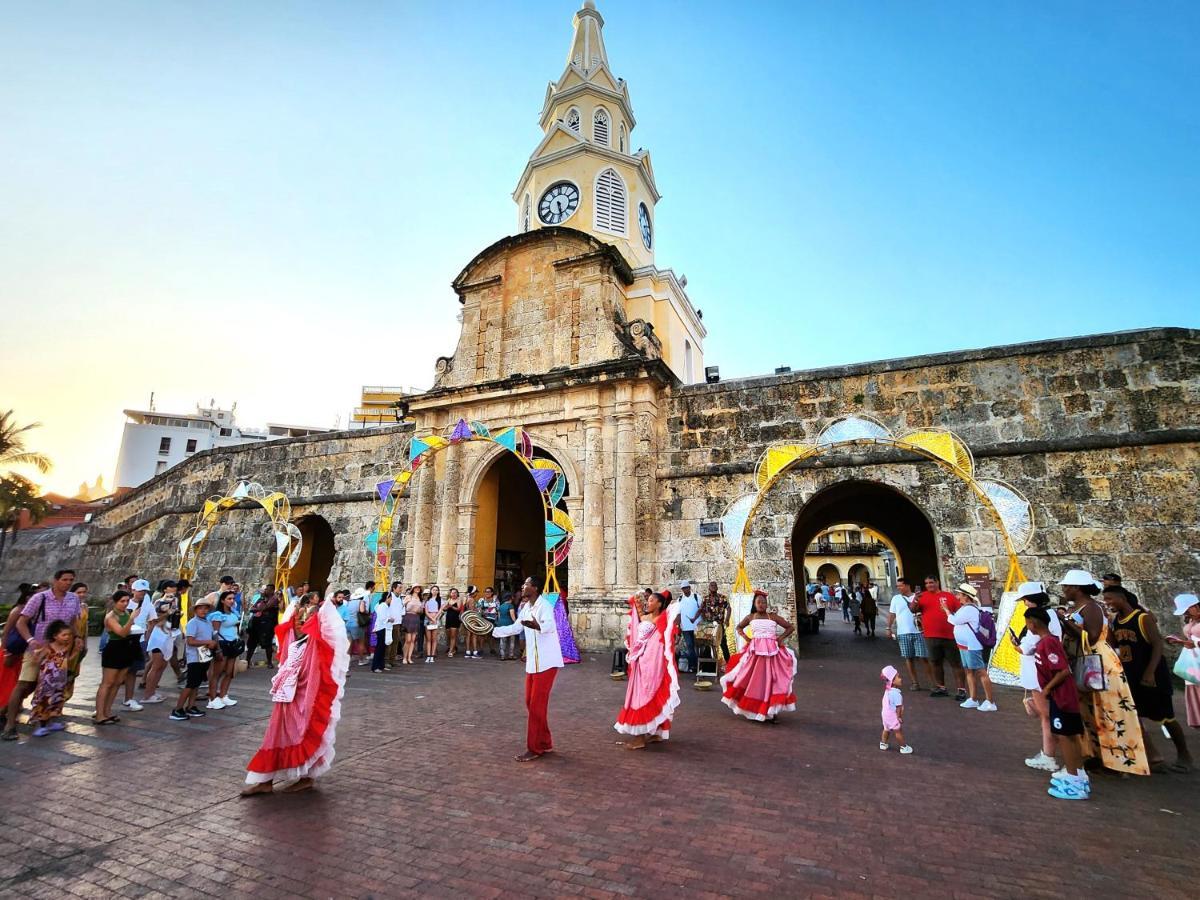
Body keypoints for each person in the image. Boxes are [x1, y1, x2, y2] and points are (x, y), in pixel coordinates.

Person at [241, 593, 349, 796]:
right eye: (298, 619)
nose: (300, 623)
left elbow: (327, 640)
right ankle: (265, 780)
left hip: (304, 697)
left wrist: (321, 611)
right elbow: (286, 632)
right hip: (285, 696)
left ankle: (307, 777)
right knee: (275, 734)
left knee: (305, 732)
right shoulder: (293, 641)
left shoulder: (315, 645)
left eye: (305, 620)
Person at [1057, 570, 1149, 776]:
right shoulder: (1080, 607)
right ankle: (1096, 755)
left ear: (1077, 588)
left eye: (1067, 587)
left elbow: (1091, 637)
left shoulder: (1092, 608)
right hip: (1084, 662)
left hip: (1098, 662)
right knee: (1089, 712)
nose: (1064, 590)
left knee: (1107, 710)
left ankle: (1116, 761)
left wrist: (1065, 622)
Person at [1105, 585, 1193, 772]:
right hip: (1131, 675)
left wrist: (1150, 672)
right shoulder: (1116, 621)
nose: (1108, 603)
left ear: (1122, 598)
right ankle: (1154, 756)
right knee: (1134, 715)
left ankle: (1184, 754)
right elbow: (1112, 644)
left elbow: (1157, 645)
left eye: (1110, 599)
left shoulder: (1141, 618)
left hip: (1151, 674)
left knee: (1165, 717)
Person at [2, 569, 85, 741]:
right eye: (64, 579)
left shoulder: (73, 599)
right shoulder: (40, 598)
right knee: (24, 684)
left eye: (71, 580)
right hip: (37, 649)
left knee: (51, 686)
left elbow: (72, 622)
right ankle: (10, 724)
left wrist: (76, 637)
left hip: (60, 651)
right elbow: (21, 621)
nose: (68, 583)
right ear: (56, 580)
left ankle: (45, 717)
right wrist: (30, 640)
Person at [1025, 607, 1090, 800]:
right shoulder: (1046, 642)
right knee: (1067, 735)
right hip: (1059, 695)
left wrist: (1046, 689)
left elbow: (1062, 670)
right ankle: (1077, 773)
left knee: (1065, 736)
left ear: (1033, 623)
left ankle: (1074, 779)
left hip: (1062, 696)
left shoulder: (1048, 643)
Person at [1009, 583, 1066, 773]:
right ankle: (1050, 753)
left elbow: (1027, 648)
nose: (1024, 604)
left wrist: (1014, 645)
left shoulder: (1040, 620)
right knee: (1048, 715)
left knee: (1046, 716)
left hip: (1038, 673)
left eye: (1025, 600)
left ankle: (1049, 756)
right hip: (1042, 672)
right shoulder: (1050, 615)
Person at [614, 591, 680, 749]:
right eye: (648, 600)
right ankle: (654, 732)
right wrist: (636, 599)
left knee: (644, 695)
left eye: (651, 601)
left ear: (659, 604)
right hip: (640, 660)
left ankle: (640, 738)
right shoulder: (643, 618)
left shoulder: (661, 619)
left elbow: (668, 632)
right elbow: (636, 628)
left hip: (651, 661)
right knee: (641, 694)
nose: (648, 603)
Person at [719, 589, 797, 723]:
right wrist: (746, 638)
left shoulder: (773, 616)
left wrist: (780, 638)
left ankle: (772, 712)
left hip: (772, 654)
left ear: (767, 604)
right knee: (754, 681)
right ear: (754, 604)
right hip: (755, 654)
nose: (761, 604)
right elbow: (738, 627)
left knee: (773, 681)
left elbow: (790, 627)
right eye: (759, 602)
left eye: (764, 602)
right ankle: (755, 708)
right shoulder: (751, 617)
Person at [517, 581, 564, 761]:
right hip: (534, 663)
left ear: (535, 588)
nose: (522, 587)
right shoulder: (526, 608)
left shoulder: (544, 606)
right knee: (530, 702)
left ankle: (534, 748)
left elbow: (550, 626)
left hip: (547, 663)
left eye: (526, 584)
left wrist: (537, 626)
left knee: (536, 704)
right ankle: (545, 741)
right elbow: (517, 626)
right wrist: (493, 630)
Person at [911, 576, 967, 699]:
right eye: (926, 583)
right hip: (931, 636)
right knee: (935, 662)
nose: (929, 585)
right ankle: (941, 687)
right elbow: (913, 610)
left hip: (950, 636)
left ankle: (961, 690)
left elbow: (960, 612)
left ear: (937, 582)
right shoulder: (922, 596)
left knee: (955, 663)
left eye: (931, 582)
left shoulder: (949, 596)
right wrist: (915, 599)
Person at [944, 583, 997, 711]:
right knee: (969, 671)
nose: (957, 597)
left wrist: (946, 610)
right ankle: (973, 698)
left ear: (966, 597)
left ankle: (990, 701)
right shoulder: (965, 608)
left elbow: (955, 620)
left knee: (980, 671)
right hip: (965, 645)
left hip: (972, 646)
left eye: (960, 594)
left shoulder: (969, 609)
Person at [170, 593, 217, 722]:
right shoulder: (193, 623)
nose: (203, 610)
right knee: (190, 684)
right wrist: (208, 642)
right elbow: (190, 641)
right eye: (200, 608)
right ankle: (178, 708)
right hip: (194, 657)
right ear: (196, 610)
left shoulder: (207, 622)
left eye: (205, 608)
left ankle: (191, 705)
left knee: (196, 683)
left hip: (203, 656)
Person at [93, 589, 136, 725]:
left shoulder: (126, 613)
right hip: (114, 648)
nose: (125, 604)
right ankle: (99, 714)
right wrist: (132, 619)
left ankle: (107, 711)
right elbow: (122, 632)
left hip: (126, 647)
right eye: (122, 601)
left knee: (117, 682)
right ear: (115, 602)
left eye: (127, 601)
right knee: (107, 682)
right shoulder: (111, 616)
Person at [27, 620, 74, 737]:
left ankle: (51, 722)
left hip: (59, 681)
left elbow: (67, 660)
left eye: (68, 635)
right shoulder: (48, 648)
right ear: (55, 636)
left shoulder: (65, 647)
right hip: (47, 681)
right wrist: (37, 656)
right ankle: (41, 725)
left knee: (56, 700)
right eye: (64, 635)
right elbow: (37, 661)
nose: (67, 637)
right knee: (44, 702)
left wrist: (77, 651)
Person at [887, 577, 932, 691]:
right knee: (909, 658)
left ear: (907, 586)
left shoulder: (918, 597)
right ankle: (914, 682)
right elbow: (892, 614)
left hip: (919, 631)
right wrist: (889, 627)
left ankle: (932, 682)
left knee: (923, 657)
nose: (899, 588)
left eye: (900, 585)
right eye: (897, 586)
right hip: (903, 632)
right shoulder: (896, 599)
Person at [1167, 593, 1200, 729]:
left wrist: (1195, 644)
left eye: (1188, 610)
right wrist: (1181, 642)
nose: (1186, 614)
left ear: (1196, 606)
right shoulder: (1191, 621)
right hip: (1193, 663)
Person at [208, 590, 243, 709]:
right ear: (223, 600)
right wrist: (217, 649)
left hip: (233, 643)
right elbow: (215, 633)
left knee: (229, 672)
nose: (232, 601)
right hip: (222, 644)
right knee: (216, 673)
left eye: (233, 598)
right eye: (229, 598)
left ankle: (223, 695)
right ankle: (212, 698)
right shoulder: (218, 614)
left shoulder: (233, 613)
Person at [140, 592, 177, 704]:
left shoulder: (174, 603)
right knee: (156, 666)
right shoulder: (158, 603)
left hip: (169, 635)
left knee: (162, 665)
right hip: (158, 637)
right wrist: (169, 612)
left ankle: (153, 692)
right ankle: (147, 695)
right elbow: (154, 620)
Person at [879, 665, 913, 754]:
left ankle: (883, 744)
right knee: (898, 731)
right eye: (898, 677)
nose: (901, 679)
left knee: (886, 729)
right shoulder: (896, 694)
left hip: (885, 715)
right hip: (893, 716)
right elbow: (898, 708)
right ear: (892, 681)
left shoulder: (887, 691)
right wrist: (899, 717)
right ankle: (903, 747)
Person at [244, 585, 280, 668]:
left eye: (267, 589)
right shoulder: (261, 598)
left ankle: (269, 662)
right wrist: (259, 607)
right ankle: (247, 661)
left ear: (272, 590)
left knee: (267, 644)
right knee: (252, 643)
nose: (265, 591)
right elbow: (252, 609)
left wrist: (259, 608)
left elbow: (264, 607)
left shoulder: (274, 599)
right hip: (257, 624)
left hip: (267, 625)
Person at [700, 582, 732, 664]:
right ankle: (707, 666)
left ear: (717, 588)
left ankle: (729, 664)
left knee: (723, 644)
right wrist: (704, 620)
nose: (713, 587)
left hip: (719, 625)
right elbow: (701, 610)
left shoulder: (722, 598)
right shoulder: (705, 598)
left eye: (715, 586)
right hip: (709, 626)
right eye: (712, 585)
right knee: (708, 645)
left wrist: (727, 619)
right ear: (709, 588)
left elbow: (729, 608)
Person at [677, 581, 700, 676]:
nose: (685, 590)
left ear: (689, 588)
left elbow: (701, 609)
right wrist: (678, 626)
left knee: (698, 647)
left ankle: (699, 666)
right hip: (685, 627)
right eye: (683, 588)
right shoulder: (680, 599)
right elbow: (678, 613)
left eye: (686, 588)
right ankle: (693, 666)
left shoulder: (697, 597)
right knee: (690, 646)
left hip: (697, 626)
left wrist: (697, 620)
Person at [370, 590, 391, 673]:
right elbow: (382, 618)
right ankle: (375, 666)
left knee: (382, 648)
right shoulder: (382, 606)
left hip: (384, 628)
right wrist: (389, 619)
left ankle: (381, 665)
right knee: (379, 648)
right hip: (381, 628)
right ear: (387, 598)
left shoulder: (385, 606)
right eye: (390, 598)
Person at [401, 585, 422, 665]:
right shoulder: (408, 596)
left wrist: (420, 610)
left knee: (413, 640)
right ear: (413, 589)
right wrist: (406, 601)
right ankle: (404, 657)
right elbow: (402, 605)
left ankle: (409, 658)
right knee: (408, 640)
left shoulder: (420, 598)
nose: (417, 589)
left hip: (416, 617)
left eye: (419, 588)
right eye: (416, 587)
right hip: (408, 617)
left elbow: (421, 610)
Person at [496, 591, 519, 660]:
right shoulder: (510, 606)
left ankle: (502, 655)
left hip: (501, 624)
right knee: (512, 640)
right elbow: (513, 616)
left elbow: (499, 617)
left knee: (503, 640)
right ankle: (511, 655)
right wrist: (516, 623)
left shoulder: (501, 606)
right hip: (510, 624)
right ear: (510, 598)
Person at [443, 587, 463, 658]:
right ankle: (453, 648)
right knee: (448, 635)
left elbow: (458, 609)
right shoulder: (448, 600)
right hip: (448, 618)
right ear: (450, 594)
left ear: (457, 593)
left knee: (453, 636)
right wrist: (447, 607)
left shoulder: (459, 600)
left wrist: (451, 606)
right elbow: (444, 609)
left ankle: (451, 651)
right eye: (452, 593)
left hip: (455, 619)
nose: (454, 594)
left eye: (455, 592)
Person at [423, 589, 441, 663]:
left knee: (434, 639)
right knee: (428, 639)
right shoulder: (427, 600)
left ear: (438, 591)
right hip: (428, 619)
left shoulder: (440, 600)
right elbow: (426, 611)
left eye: (436, 590)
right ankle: (428, 655)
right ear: (431, 591)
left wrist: (434, 618)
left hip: (435, 620)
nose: (435, 591)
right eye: (433, 590)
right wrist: (431, 618)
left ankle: (432, 655)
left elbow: (440, 610)